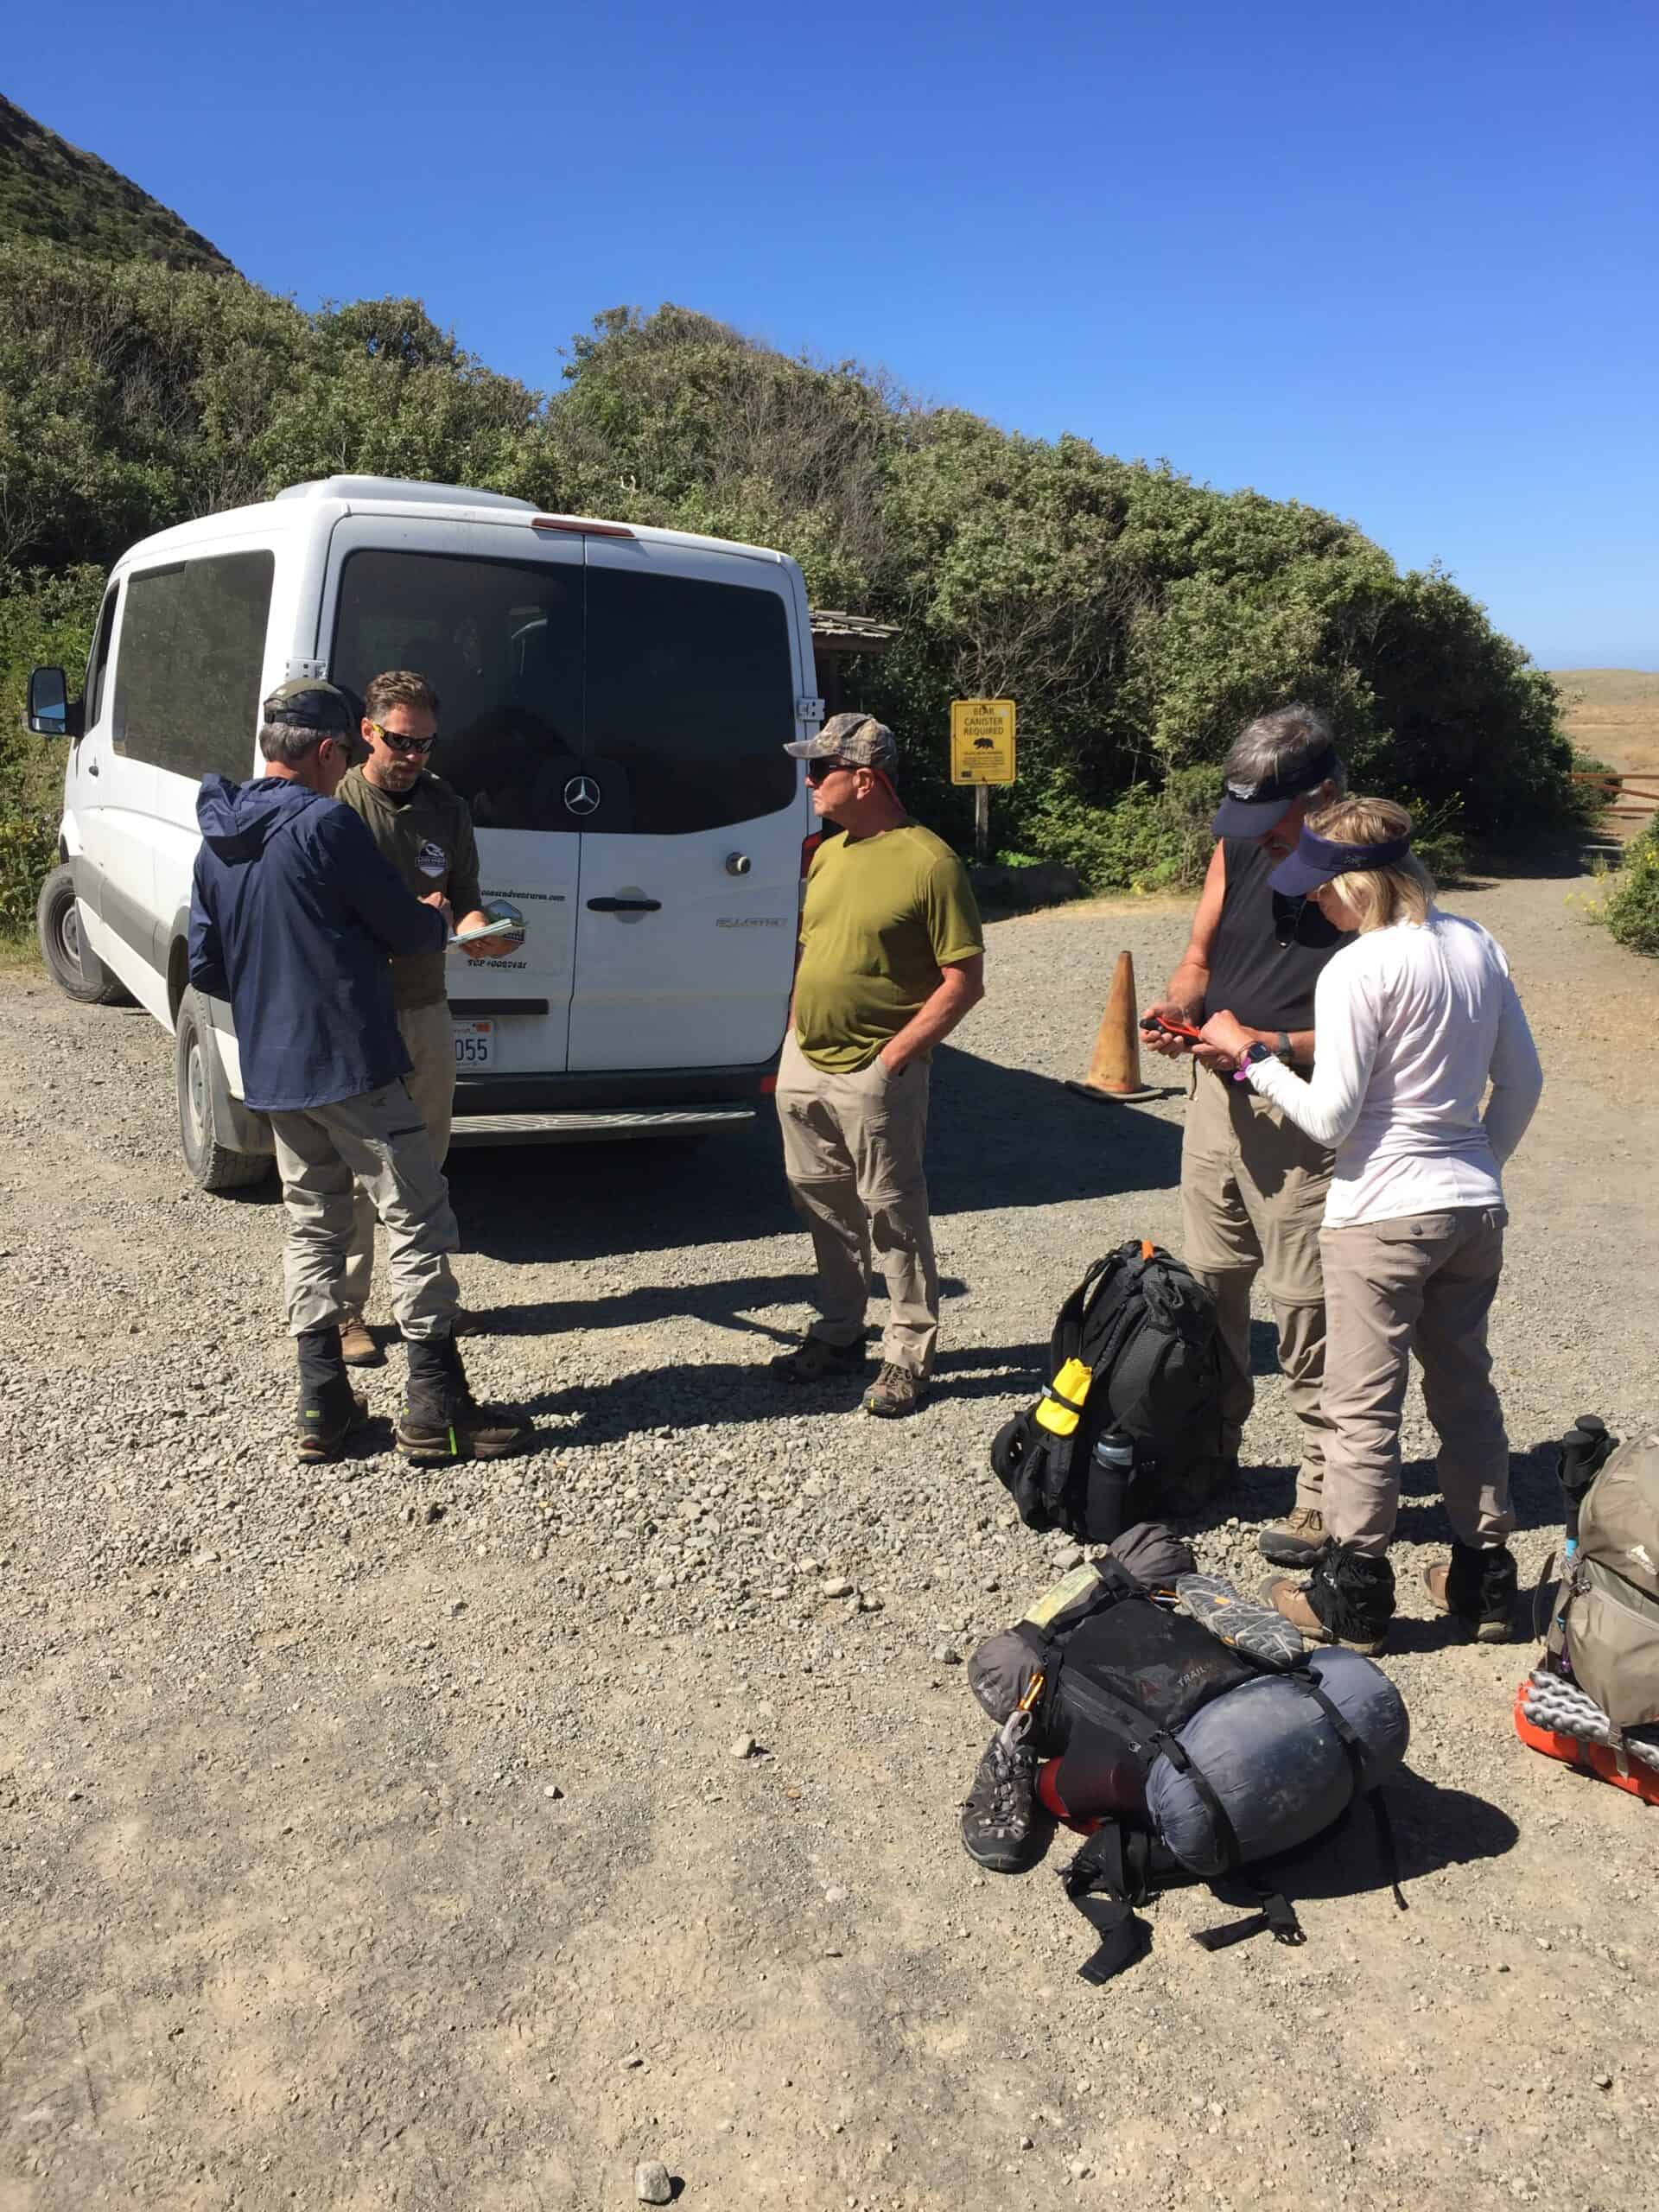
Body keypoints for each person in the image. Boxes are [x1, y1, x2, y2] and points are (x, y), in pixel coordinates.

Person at [1199, 798, 1543, 1654]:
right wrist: (1476, 1164)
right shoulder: (1477, 945)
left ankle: (1355, 1595)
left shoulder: (1360, 967)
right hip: (1469, 1204)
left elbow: (1330, 1117)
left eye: (1319, 891)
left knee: (1361, 1406)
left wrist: (1248, 1058)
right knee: (1466, 1387)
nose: (1312, 904)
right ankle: (1485, 1579)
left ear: (1357, 885)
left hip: (1380, 1213)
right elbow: (1524, 1081)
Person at [187, 679, 530, 1465]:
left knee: (312, 1220)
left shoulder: (216, 837)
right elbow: (406, 929)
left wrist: (283, 987)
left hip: (274, 1065)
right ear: (334, 750)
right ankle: (437, 1411)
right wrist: (437, 917)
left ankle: (323, 1410)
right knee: (414, 1212)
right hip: (352, 1057)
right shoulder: (329, 824)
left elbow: (208, 963)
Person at [1140, 705, 1346, 1549]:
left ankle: (1325, 1481)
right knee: (1213, 1284)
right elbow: (1198, 957)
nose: (1257, 837)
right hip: (1217, 1099)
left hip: (1304, 1111)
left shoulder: (1378, 877)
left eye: (1272, 819)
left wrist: (1274, 1046)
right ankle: (1214, 1448)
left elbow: (1395, 1020)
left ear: (1325, 796)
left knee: (1307, 1305)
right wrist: (1178, 1007)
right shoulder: (1238, 848)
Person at [770, 712, 985, 1417]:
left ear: (864, 778)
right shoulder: (829, 852)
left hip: (875, 1068)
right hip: (807, 1059)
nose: (809, 783)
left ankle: (908, 1352)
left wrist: (895, 1057)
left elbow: (963, 981)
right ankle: (839, 1332)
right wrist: (795, 1033)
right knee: (820, 1200)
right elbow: (812, 949)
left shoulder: (931, 862)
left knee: (892, 1210)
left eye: (820, 771)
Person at [333, 669, 505, 1366]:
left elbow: (465, 898)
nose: (413, 758)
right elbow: (324, 919)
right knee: (356, 1171)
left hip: (427, 1007)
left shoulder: (445, 808)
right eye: (402, 742)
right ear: (369, 732)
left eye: (426, 745)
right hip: (358, 1013)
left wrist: (483, 931)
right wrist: (406, 924)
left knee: (425, 1165)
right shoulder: (336, 805)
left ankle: (427, 1301)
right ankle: (347, 1313)